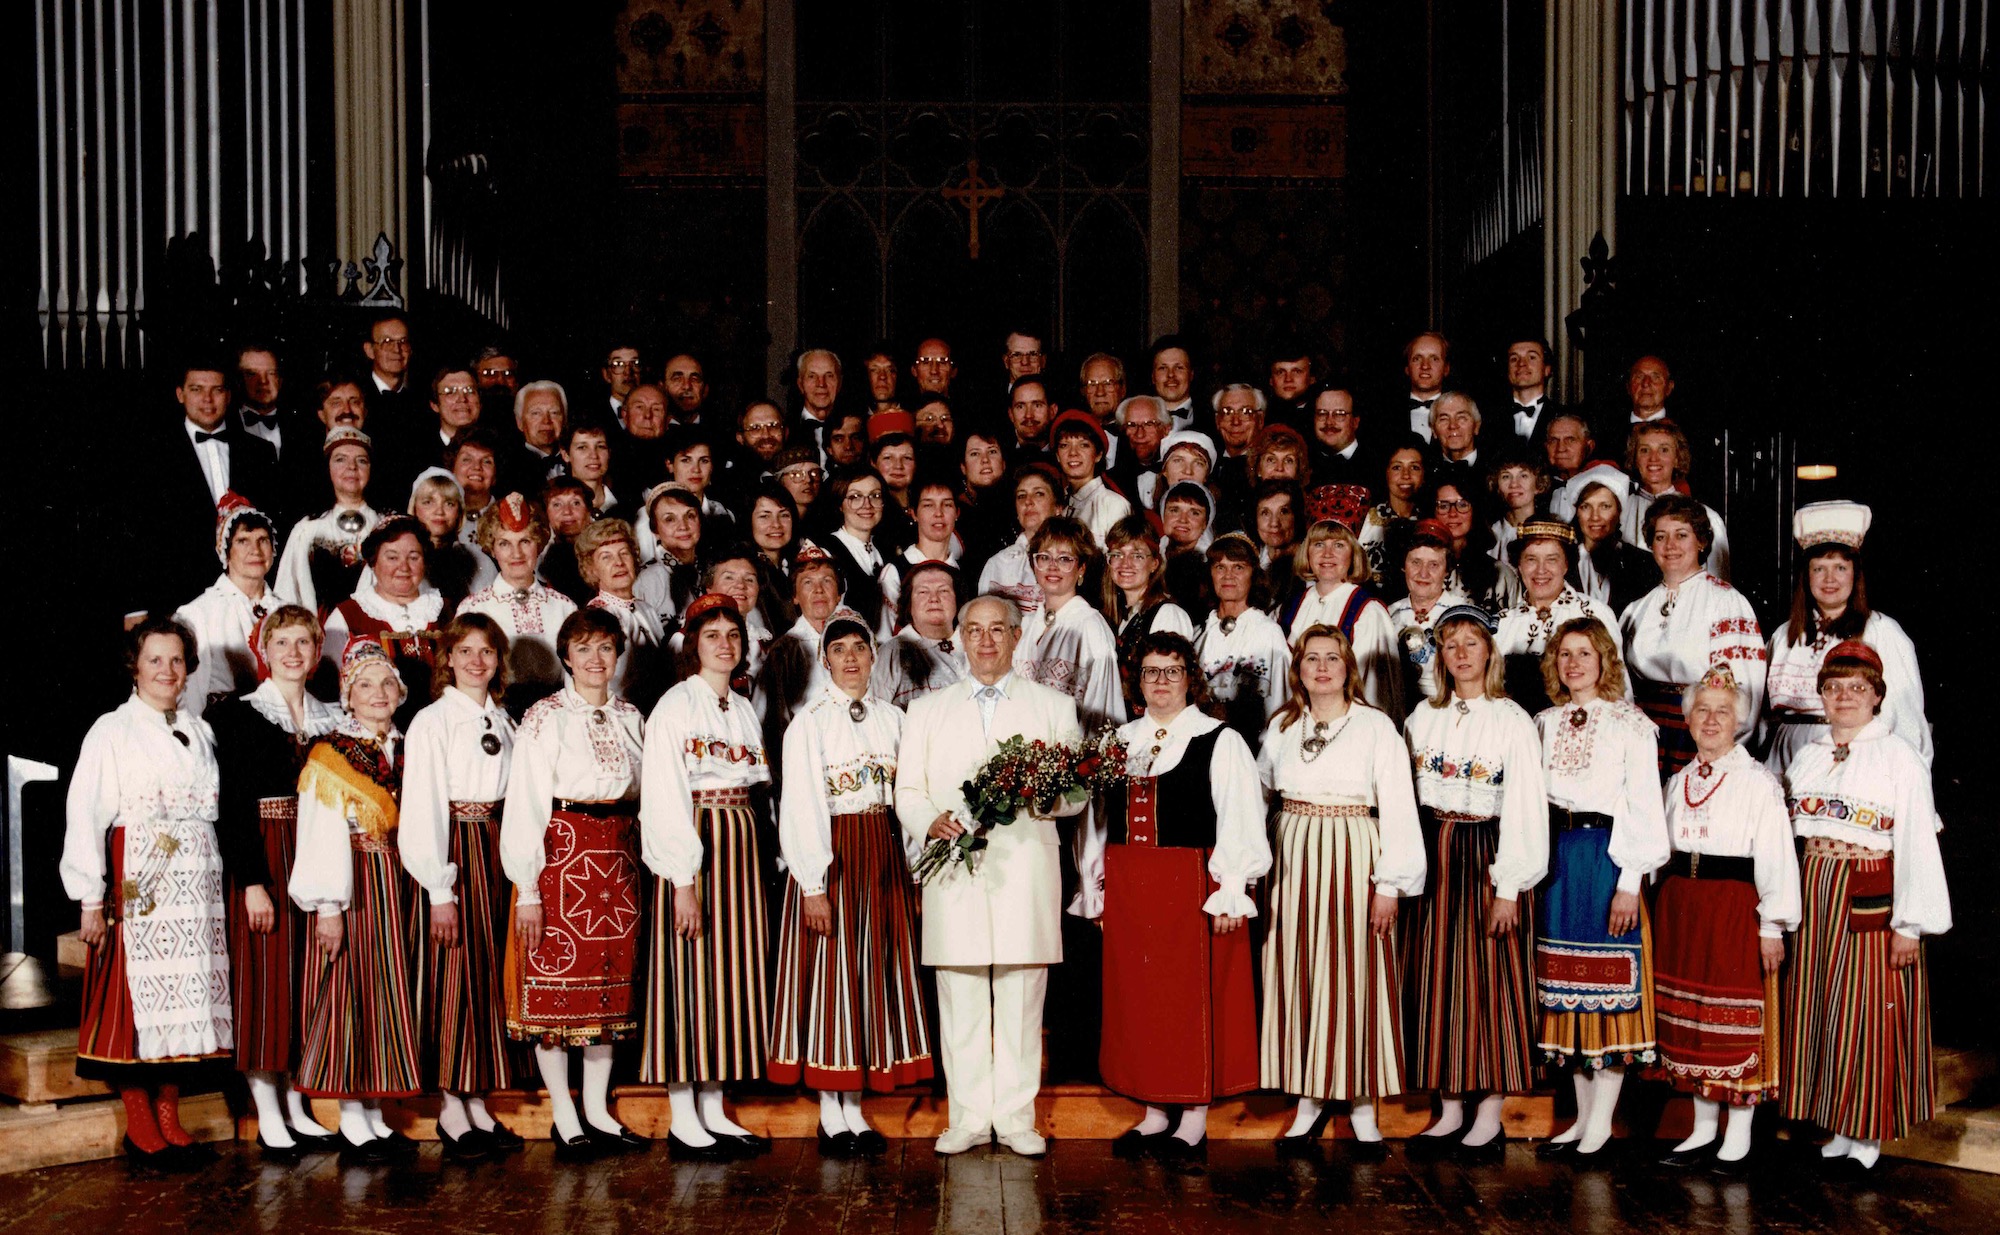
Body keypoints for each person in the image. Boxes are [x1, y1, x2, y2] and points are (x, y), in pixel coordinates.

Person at [895, 595, 1085, 1157]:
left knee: (1023, 994)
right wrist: (931, 820)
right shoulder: (927, 710)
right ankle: (969, 1116)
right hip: (954, 868)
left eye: (997, 630)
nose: (985, 641)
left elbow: (1075, 796)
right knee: (961, 995)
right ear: (959, 636)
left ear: (1017, 636)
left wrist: (1034, 792)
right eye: (974, 630)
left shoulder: (1054, 705)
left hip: (1025, 866)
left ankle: (1017, 1117)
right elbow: (907, 789)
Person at [1079, 632, 1268, 1159]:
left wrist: (1233, 887)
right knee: (1141, 1001)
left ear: (1191, 680)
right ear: (1137, 682)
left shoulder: (1218, 739)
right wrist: (1097, 890)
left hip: (1191, 884)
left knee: (1188, 1001)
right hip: (1131, 886)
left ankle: (1194, 1117)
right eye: (1151, 672)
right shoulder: (1119, 741)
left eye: (1172, 671)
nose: (1161, 682)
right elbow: (1098, 824)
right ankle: (1154, 1111)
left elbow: (1240, 816)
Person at [62, 617, 233, 1168]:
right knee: (136, 992)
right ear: (135, 666)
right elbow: (86, 814)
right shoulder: (111, 730)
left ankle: (169, 1118)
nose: (167, 670)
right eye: (155, 659)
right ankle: (140, 1123)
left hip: (196, 882)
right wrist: (91, 897)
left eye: (177, 659)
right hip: (142, 877)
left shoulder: (199, 728)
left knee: (186, 995)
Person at [1781, 640, 1952, 1174]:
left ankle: (1868, 1134)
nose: (1845, 697)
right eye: (1834, 688)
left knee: (1866, 1014)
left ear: (1878, 696)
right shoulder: (1808, 756)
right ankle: (1836, 1124)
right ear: (1821, 697)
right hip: (1815, 893)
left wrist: (1910, 924)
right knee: (1820, 1009)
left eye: (1858, 688)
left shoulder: (1898, 757)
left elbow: (1919, 841)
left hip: (1869, 895)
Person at [769, 608, 932, 1156]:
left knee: (871, 976)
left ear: (873, 654)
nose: (851, 659)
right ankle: (829, 1111)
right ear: (825, 659)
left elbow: (908, 797)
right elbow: (801, 806)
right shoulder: (809, 722)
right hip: (834, 856)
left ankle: (855, 1108)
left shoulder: (894, 718)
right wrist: (812, 883)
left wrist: (914, 871)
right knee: (832, 975)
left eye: (859, 648)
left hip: (882, 855)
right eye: (838, 650)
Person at [1256, 625, 1424, 1153]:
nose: (1322, 668)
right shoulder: (1282, 726)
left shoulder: (1376, 728)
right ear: (1298, 668)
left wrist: (1390, 885)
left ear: (1348, 667)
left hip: (1355, 854)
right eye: (1312, 658)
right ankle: (1307, 1103)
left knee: (1358, 975)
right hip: (1294, 856)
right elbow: (1262, 794)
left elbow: (1398, 806)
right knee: (1299, 973)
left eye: (1332, 658)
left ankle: (1363, 1106)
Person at [1401, 606, 1548, 1162]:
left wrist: (1509, 886)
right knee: (1437, 978)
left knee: (1489, 979)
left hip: (1486, 852)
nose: (1461, 653)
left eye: (1472, 643)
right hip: (1433, 851)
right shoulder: (1421, 717)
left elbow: (1526, 807)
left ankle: (1489, 1115)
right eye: (1450, 644)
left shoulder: (1511, 719)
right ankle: (1450, 1109)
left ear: (1490, 652)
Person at [501, 608, 648, 1160]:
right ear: (566, 656)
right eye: (583, 648)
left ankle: (596, 1112)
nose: (594, 659)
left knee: (609, 992)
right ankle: (564, 1115)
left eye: (605, 648)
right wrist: (530, 888)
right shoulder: (545, 717)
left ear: (617, 655)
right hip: (562, 855)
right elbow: (527, 803)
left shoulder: (634, 715)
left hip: (619, 856)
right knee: (556, 990)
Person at [638, 594, 776, 1158]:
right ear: (693, 644)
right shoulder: (676, 705)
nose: (724, 644)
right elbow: (665, 797)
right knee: (688, 971)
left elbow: (758, 790)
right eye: (712, 635)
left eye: (732, 635)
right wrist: (683, 882)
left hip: (739, 845)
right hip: (696, 842)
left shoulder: (740, 706)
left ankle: (715, 1109)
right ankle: (682, 1114)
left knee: (730, 976)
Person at [1530, 618, 1669, 1160]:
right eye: (1565, 654)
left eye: (1584, 653)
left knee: (1606, 983)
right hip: (1557, 854)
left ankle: (1602, 1123)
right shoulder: (1543, 722)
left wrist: (1630, 882)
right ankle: (1584, 1119)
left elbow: (1643, 806)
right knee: (1566, 985)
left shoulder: (1631, 725)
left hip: (1605, 855)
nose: (1574, 664)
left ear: (1604, 659)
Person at [206, 606, 343, 1158]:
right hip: (263, 851)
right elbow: (231, 807)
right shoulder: (236, 716)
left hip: (311, 849)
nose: (293, 652)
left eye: (303, 643)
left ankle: (294, 1103)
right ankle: (267, 1110)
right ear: (264, 650)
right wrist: (252, 882)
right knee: (263, 980)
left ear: (316, 653)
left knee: (296, 980)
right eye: (281, 642)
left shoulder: (331, 717)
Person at [1652, 663, 1799, 1170]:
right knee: (1691, 1018)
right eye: (1702, 711)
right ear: (1688, 720)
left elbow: (1776, 856)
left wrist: (1772, 924)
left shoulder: (1757, 782)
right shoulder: (1678, 781)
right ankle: (1701, 1129)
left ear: (1739, 722)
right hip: (1683, 905)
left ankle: (1737, 1136)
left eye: (1723, 713)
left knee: (1730, 1018)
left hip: (1734, 905)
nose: (1711, 721)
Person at [289, 640, 420, 1161]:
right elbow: (321, 834)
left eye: (387, 683)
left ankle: (374, 1113)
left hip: (397, 879)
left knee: (384, 991)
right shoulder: (331, 755)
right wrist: (328, 907)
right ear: (347, 696)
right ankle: (350, 1116)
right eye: (365, 685)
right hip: (356, 882)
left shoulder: (407, 746)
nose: (378, 694)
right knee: (350, 991)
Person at [397, 614, 522, 1161]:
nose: (476, 660)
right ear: (446, 658)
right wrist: (439, 889)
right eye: (465, 650)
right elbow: (422, 806)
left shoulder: (505, 719)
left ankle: (477, 1100)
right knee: (455, 974)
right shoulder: (432, 720)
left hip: (497, 847)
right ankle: (450, 1105)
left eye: (487, 651)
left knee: (488, 977)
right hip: (455, 848)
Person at [1761, 500, 1930, 775]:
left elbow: (1906, 719)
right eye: (1819, 568)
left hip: (1854, 758)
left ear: (1855, 574)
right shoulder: (1784, 636)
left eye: (1840, 567)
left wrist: (1907, 776)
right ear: (1806, 576)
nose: (1829, 579)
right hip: (1786, 758)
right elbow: (1764, 719)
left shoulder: (1882, 632)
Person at [1619, 494, 1766, 778]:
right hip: (1644, 736)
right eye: (1660, 537)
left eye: (1681, 535)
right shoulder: (1637, 609)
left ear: (1701, 542)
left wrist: (1724, 750)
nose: (1670, 546)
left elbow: (1746, 690)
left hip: (1697, 734)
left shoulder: (1725, 602)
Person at [458, 493, 579, 717]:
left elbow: (575, 679)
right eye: (505, 543)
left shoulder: (564, 607)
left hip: (557, 717)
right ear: (492, 549)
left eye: (525, 541)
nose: (516, 553)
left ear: (539, 545)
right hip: (497, 716)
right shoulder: (473, 608)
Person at [321, 515, 447, 720]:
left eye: (413, 557)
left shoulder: (447, 611)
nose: (404, 567)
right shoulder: (348, 616)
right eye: (392, 557)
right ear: (373, 562)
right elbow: (329, 693)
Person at [175, 496, 290, 717]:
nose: (255, 550)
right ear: (225, 551)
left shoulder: (287, 610)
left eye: (262, 540)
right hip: (228, 728)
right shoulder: (198, 613)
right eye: (243, 541)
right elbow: (190, 696)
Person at [1013, 517, 1126, 732]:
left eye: (1065, 559)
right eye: (1044, 558)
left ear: (1081, 568)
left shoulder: (1089, 626)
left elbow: (1104, 711)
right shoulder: (1027, 625)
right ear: (1033, 565)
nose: (1053, 567)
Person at [1278, 517, 1400, 715]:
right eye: (1318, 544)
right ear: (1307, 552)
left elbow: (1376, 692)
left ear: (1353, 554)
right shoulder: (1288, 607)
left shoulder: (1368, 612)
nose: (1327, 554)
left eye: (1339, 545)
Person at [1494, 521, 1615, 714]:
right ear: (1519, 565)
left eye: (1552, 559)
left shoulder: (1594, 613)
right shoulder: (1502, 622)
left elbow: (1616, 688)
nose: (1541, 570)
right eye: (1531, 559)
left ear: (1566, 564)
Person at [1195, 534, 1293, 744]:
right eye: (1220, 567)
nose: (1228, 575)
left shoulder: (1268, 632)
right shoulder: (1199, 633)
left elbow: (1280, 710)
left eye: (1238, 567)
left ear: (1254, 575)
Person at [272, 426, 380, 616]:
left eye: (361, 460)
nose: (352, 467)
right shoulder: (307, 528)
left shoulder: (386, 524)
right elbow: (287, 590)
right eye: (340, 459)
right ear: (327, 467)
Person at [1102, 515, 1195, 711]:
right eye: (1117, 554)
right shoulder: (1121, 616)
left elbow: (1170, 689)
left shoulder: (1167, 614)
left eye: (1137, 555)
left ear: (1154, 563)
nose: (1125, 564)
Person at [580, 518, 669, 715]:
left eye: (624, 553)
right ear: (591, 569)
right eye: (606, 557)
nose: (619, 563)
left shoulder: (646, 609)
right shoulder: (595, 619)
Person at [1622, 421, 1731, 580]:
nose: (1654, 458)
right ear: (1634, 457)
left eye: (1664, 450)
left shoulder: (1706, 517)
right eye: (1644, 450)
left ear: (1677, 459)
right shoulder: (1618, 513)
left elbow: (1718, 584)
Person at [1387, 521, 1469, 709]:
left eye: (1434, 565)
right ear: (1403, 565)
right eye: (1416, 562)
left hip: (1448, 709)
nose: (1423, 573)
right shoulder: (1388, 615)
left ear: (1446, 570)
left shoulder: (1462, 613)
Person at [872, 558, 969, 708]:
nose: (934, 599)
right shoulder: (892, 653)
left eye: (943, 590)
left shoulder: (978, 644)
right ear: (909, 604)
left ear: (957, 599)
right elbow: (877, 716)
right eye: (923, 592)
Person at [1565, 466, 1659, 613]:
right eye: (1586, 507)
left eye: (1605, 506)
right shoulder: (1563, 560)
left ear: (1619, 511)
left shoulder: (1645, 564)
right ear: (1577, 513)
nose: (1595, 517)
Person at [978, 463, 1061, 618]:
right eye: (1021, 496)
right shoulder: (997, 563)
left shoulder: (1071, 560)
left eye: (1038, 494)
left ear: (1058, 507)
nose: (1028, 502)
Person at [408, 467, 492, 613]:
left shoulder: (478, 559)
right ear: (414, 508)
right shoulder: (396, 555)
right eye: (428, 502)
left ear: (459, 512)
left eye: (449, 504)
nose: (439, 511)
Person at [1053, 411, 1131, 546]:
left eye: (1083, 445)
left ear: (1098, 454)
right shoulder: (1056, 502)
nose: (1073, 453)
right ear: (1058, 456)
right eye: (1064, 445)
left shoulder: (1112, 504)